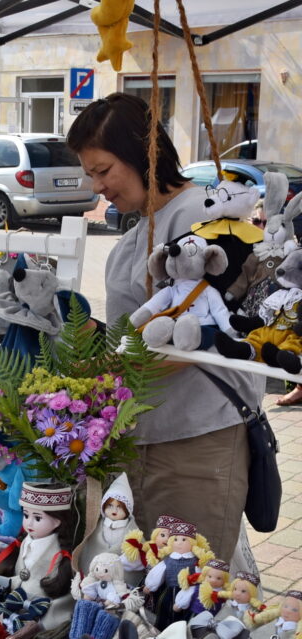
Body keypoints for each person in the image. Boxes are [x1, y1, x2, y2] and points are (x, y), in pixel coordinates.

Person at [67, 92, 262, 562]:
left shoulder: (200, 217)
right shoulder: (138, 231)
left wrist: (109, 373)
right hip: (147, 438)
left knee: (193, 579)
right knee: (152, 581)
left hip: (195, 443)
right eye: (90, 174)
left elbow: (197, 337)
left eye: (103, 170)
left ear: (143, 153)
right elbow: (134, 333)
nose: (98, 186)